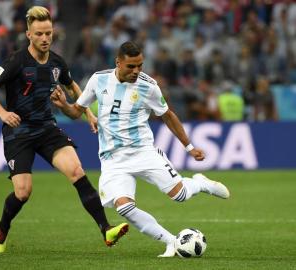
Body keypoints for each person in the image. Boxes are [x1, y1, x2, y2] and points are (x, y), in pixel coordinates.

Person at [50, 41, 230, 257]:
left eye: (140, 66)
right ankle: (172, 242)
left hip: (144, 152)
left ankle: (200, 183)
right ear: (118, 62)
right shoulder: (98, 80)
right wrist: (63, 106)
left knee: (180, 195)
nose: (136, 71)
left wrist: (189, 147)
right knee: (124, 207)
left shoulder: (148, 86)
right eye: (131, 66)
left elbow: (168, 115)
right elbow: (77, 111)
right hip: (113, 159)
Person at [0, 6, 128, 253]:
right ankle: (3, 227)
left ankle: (106, 230)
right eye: (39, 34)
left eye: (48, 33)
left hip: (47, 128)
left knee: (77, 171)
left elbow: (73, 88)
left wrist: (89, 113)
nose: (45, 38)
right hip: (19, 133)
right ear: (29, 34)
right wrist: (3, 114)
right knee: (23, 192)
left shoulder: (57, 62)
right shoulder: (16, 61)